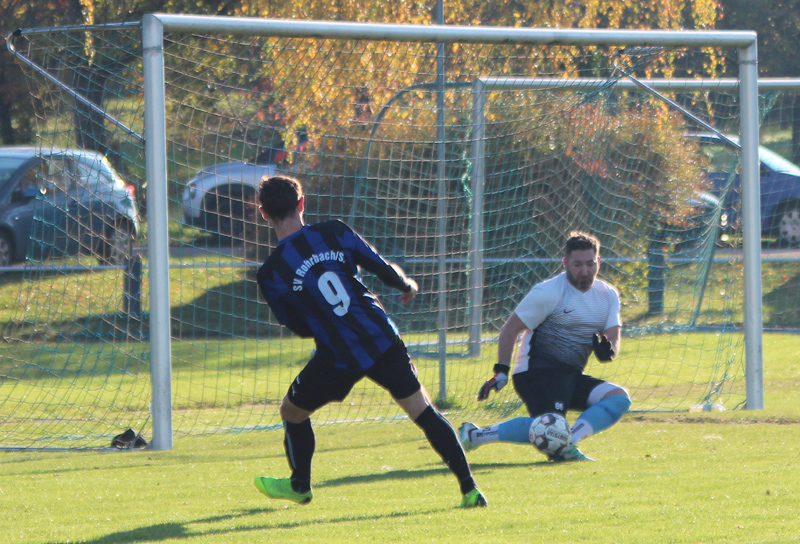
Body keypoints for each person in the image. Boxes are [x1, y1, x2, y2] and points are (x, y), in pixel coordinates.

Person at [253, 175, 487, 507]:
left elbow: (297, 326)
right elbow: (378, 265)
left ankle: (300, 485)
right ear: (302, 203)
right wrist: (405, 285)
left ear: (263, 213)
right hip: (381, 338)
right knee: (423, 411)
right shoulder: (333, 231)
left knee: (292, 412)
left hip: (336, 356)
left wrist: (325, 321)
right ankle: (470, 490)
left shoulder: (271, 272)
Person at [459, 231, 631, 462]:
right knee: (551, 426)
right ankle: (560, 445)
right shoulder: (549, 292)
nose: (584, 271)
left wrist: (608, 350)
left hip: (570, 374)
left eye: (590, 264)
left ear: (598, 262)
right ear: (565, 263)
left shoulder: (608, 295)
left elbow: (613, 338)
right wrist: (501, 370)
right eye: (577, 264)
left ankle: (476, 436)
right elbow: (510, 329)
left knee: (618, 398)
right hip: (536, 372)